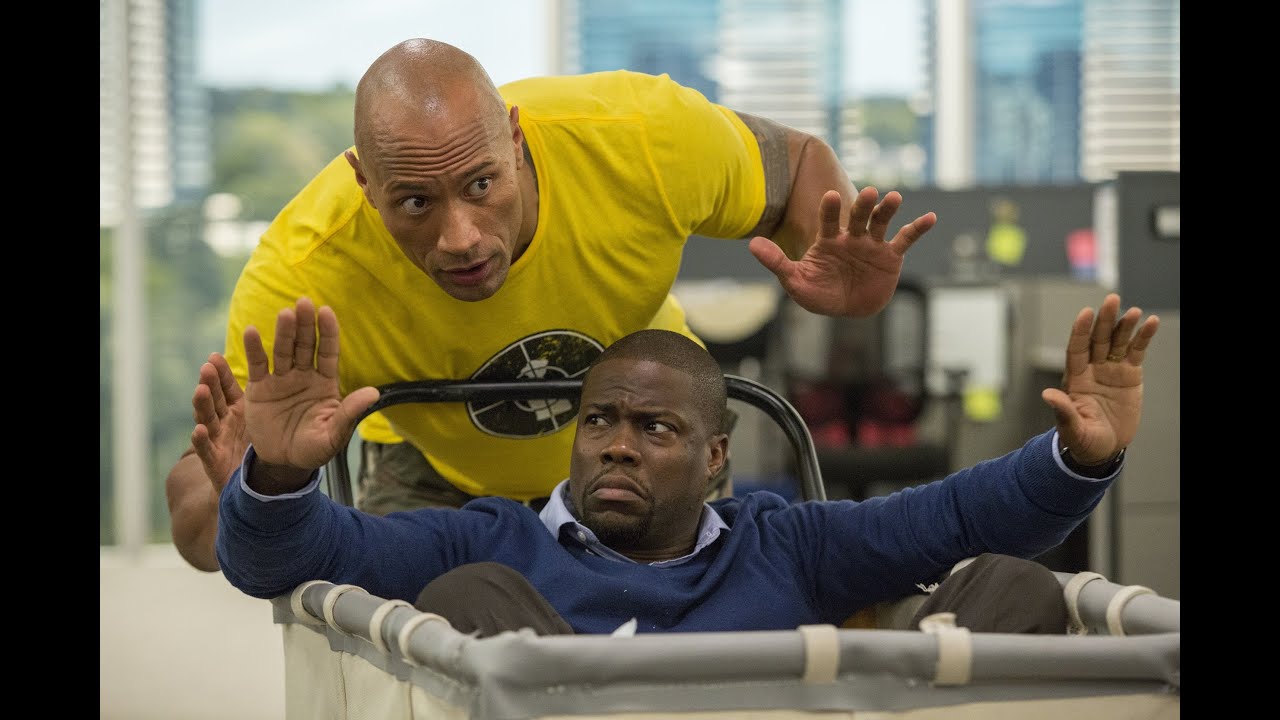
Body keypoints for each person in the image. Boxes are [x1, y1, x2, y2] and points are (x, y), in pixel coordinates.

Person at [167, 37, 940, 572]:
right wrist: (259, 488)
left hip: (646, 433)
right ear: (363, 185)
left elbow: (797, 163)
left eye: (481, 184)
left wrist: (832, 258)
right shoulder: (303, 280)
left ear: (516, 138)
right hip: (438, 473)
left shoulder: (638, 139)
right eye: (414, 203)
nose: (461, 239)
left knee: (694, 639)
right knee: (421, 661)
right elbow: (201, 532)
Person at [215, 292, 1159, 636]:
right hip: (552, 692)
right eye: (598, 421)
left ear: (715, 459)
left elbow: (955, 518)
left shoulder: (786, 545)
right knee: (466, 599)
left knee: (1012, 585)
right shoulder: (493, 541)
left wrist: (1076, 459)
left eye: (654, 429)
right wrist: (282, 476)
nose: (617, 443)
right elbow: (290, 562)